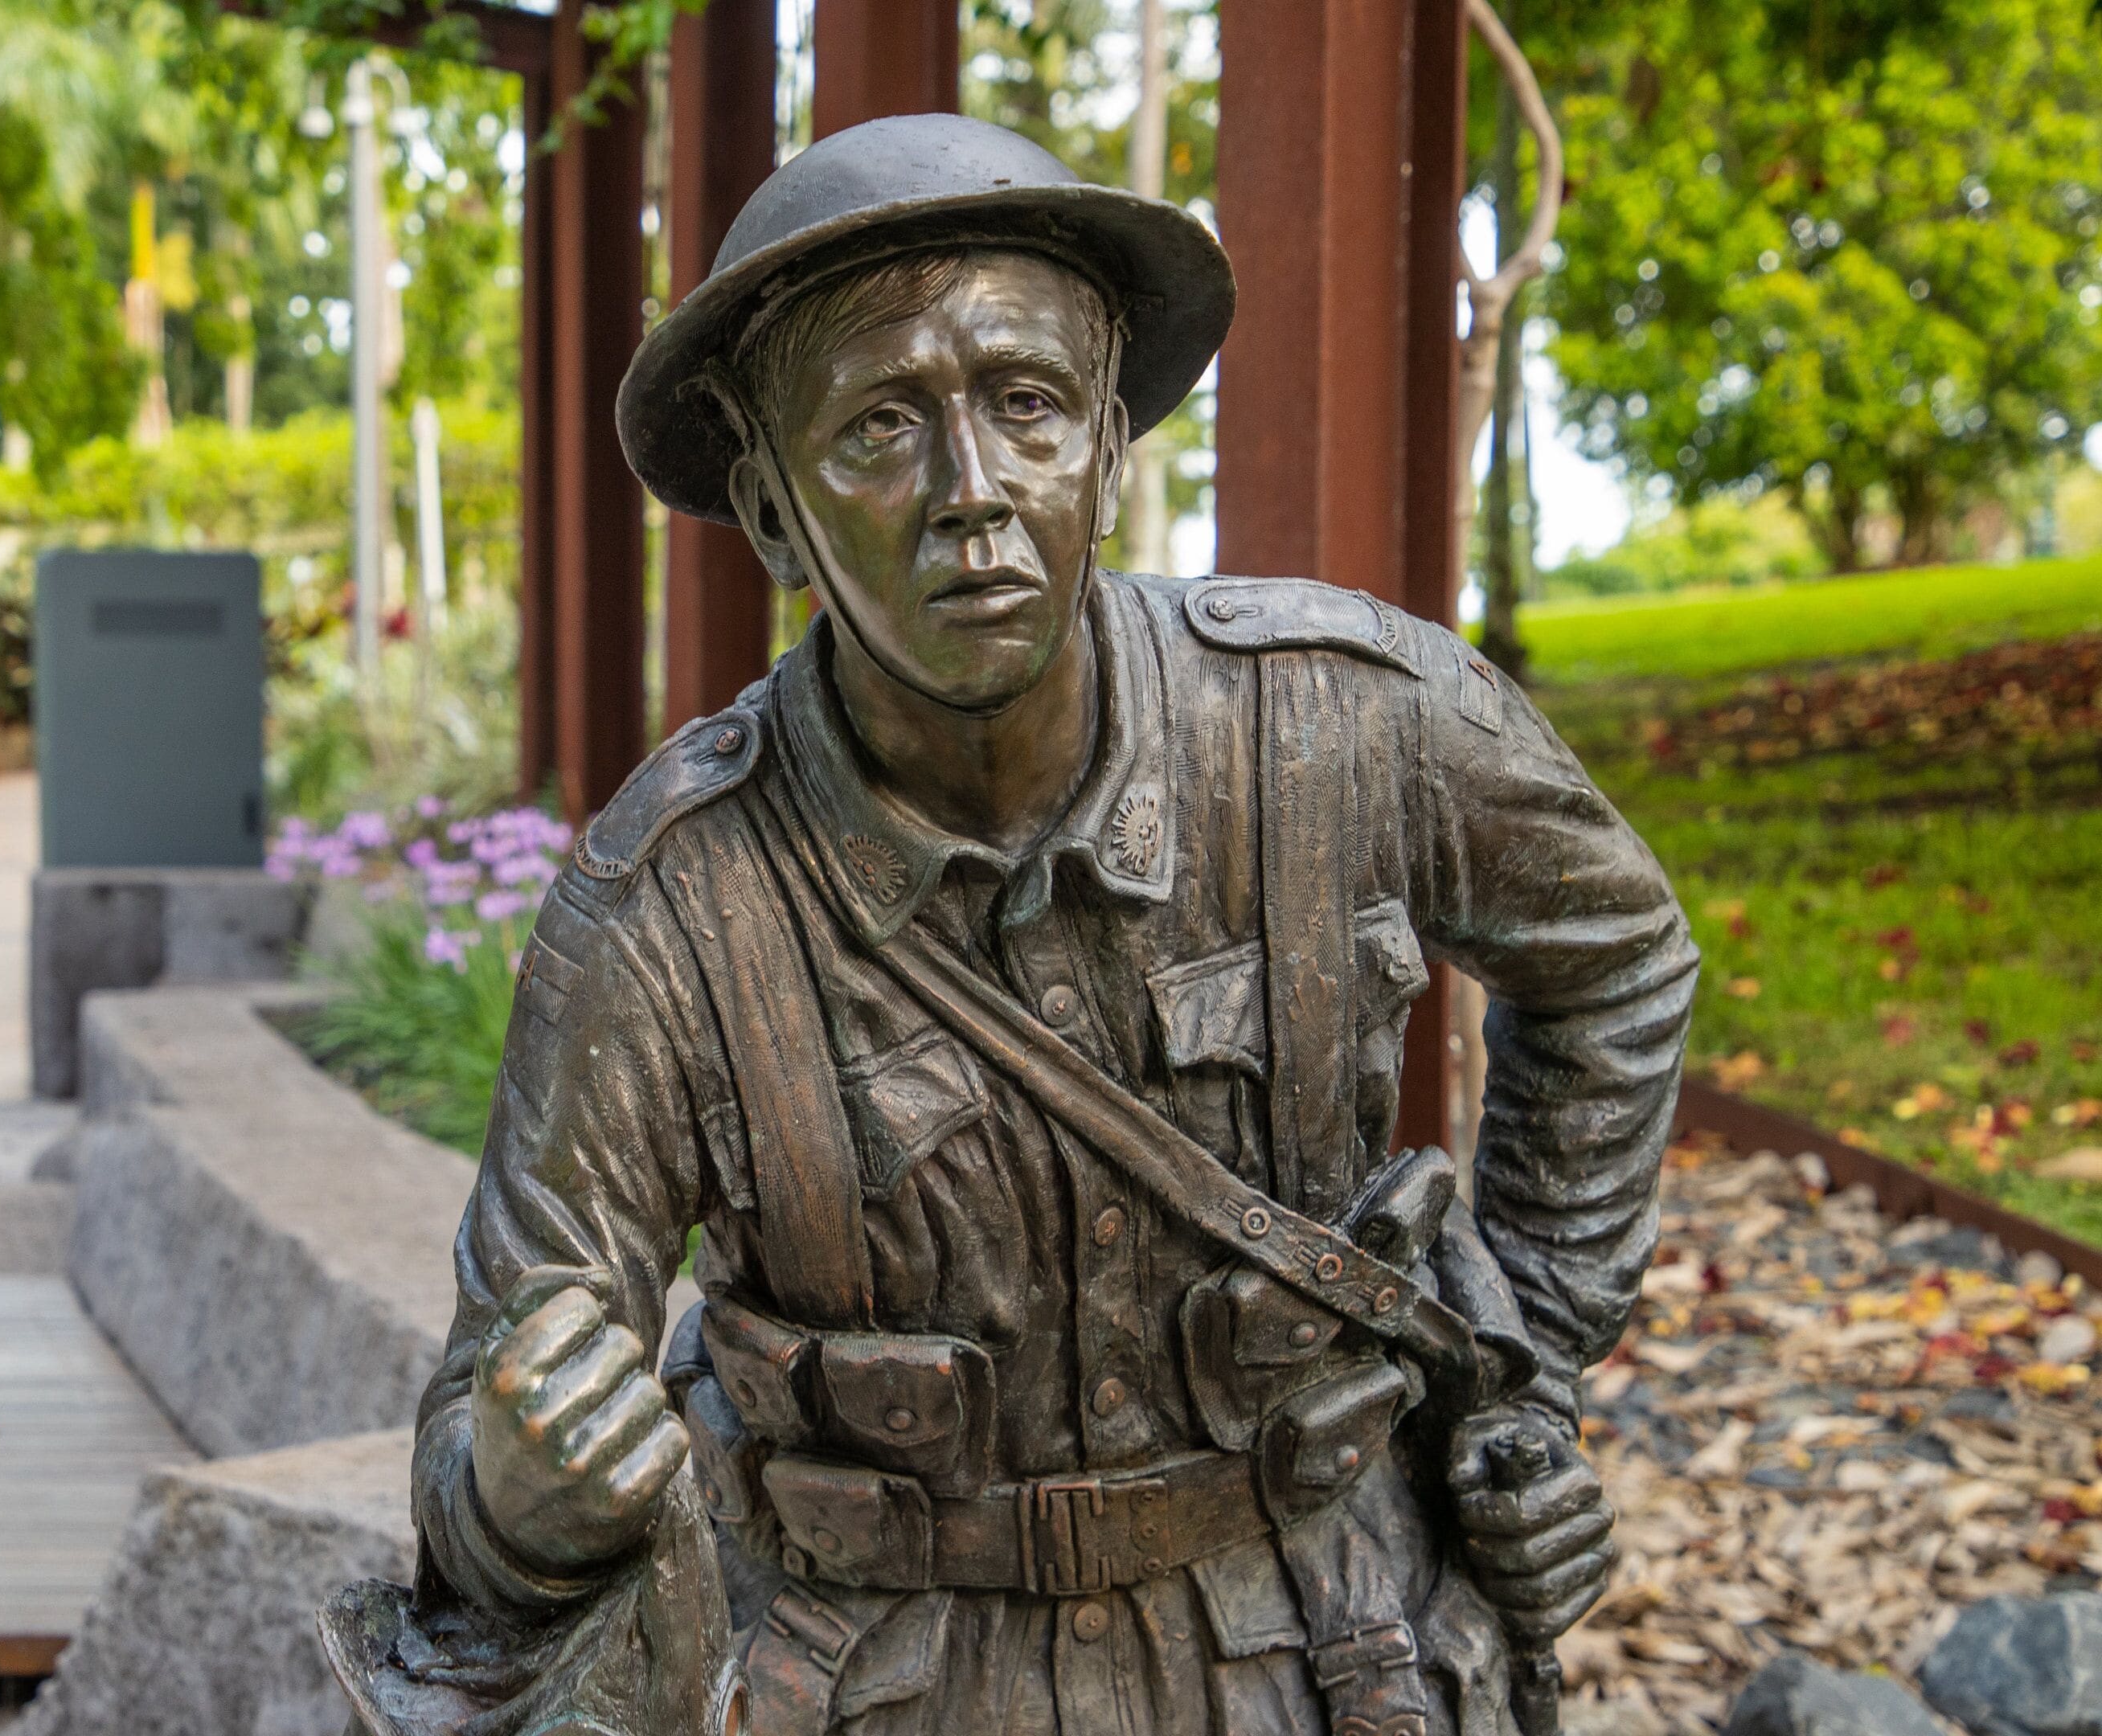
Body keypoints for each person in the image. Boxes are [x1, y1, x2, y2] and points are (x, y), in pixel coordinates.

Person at [323, 113, 1698, 1736]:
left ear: (1110, 446)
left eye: (1027, 405)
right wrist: (521, 1497)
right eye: (879, 428)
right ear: (771, 514)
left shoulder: (1351, 723)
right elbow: (496, 1389)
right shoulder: (672, 904)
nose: (970, 494)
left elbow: (1618, 961)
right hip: (869, 1673)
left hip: (1329, 1644)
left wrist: (1526, 1366)